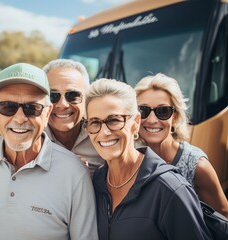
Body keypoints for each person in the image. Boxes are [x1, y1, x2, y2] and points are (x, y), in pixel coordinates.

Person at [0, 63, 98, 239]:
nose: (20, 118)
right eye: (8, 107)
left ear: (46, 113)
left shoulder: (75, 173)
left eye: (32, 108)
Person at [84, 78, 211, 239]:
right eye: (95, 122)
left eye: (114, 120)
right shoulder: (96, 182)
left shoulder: (170, 189)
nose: (104, 132)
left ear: (136, 122)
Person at [134, 73, 228, 220]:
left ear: (176, 118)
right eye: (143, 111)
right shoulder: (131, 159)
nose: (152, 120)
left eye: (163, 111)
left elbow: (225, 219)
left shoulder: (197, 166)